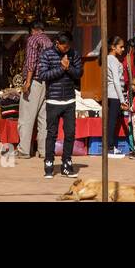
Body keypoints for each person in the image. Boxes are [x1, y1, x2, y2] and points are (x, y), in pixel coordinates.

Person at [36, 31, 83, 179]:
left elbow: (79, 73)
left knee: (70, 133)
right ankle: (49, 163)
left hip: (69, 100)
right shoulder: (46, 54)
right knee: (51, 134)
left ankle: (66, 163)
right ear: (57, 43)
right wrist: (61, 69)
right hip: (53, 100)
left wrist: (68, 68)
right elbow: (43, 75)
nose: (66, 49)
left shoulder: (74, 54)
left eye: (69, 46)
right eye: (64, 46)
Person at [18, 21, 53, 159]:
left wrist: (27, 82)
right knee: (43, 118)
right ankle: (43, 151)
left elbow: (31, 62)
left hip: (35, 82)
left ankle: (24, 150)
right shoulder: (49, 41)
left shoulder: (33, 40)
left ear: (32, 30)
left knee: (26, 116)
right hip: (47, 82)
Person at [105, 36, 127, 156]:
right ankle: (110, 147)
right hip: (114, 94)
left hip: (113, 94)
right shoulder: (112, 59)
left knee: (112, 121)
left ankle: (110, 146)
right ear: (113, 47)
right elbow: (116, 81)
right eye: (121, 46)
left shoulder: (111, 59)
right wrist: (122, 99)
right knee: (112, 122)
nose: (123, 49)